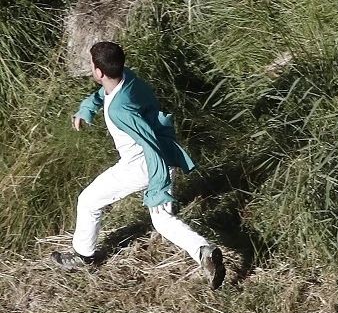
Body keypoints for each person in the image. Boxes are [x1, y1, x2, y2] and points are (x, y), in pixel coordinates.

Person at [50, 42, 226, 289]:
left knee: (88, 201)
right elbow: (104, 94)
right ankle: (204, 252)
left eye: (91, 64)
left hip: (144, 166)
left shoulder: (121, 112)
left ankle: (82, 255)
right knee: (162, 220)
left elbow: (149, 144)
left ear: (99, 72)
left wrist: (158, 185)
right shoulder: (127, 78)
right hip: (162, 155)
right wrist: (86, 109)